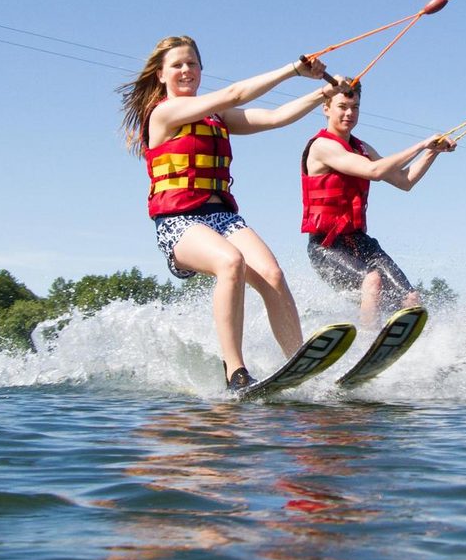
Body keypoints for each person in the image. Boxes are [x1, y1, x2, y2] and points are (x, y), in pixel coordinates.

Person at [119, 35, 330, 391]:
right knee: (231, 262)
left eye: (192, 64)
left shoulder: (216, 116)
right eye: (177, 65)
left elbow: (276, 116)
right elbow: (234, 93)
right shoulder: (164, 113)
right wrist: (294, 69)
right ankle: (235, 372)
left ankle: (301, 363)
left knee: (272, 276)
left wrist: (322, 94)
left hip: (223, 218)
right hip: (178, 224)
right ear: (160, 75)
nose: (186, 70)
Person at [301, 82, 452, 328]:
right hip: (326, 247)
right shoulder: (321, 146)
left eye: (355, 107)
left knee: (411, 299)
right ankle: (367, 346)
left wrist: (432, 153)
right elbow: (373, 171)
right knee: (371, 282)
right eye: (342, 107)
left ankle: (423, 353)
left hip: (360, 242)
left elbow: (405, 181)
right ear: (326, 108)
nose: (349, 113)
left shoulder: (362, 148)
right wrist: (421, 144)